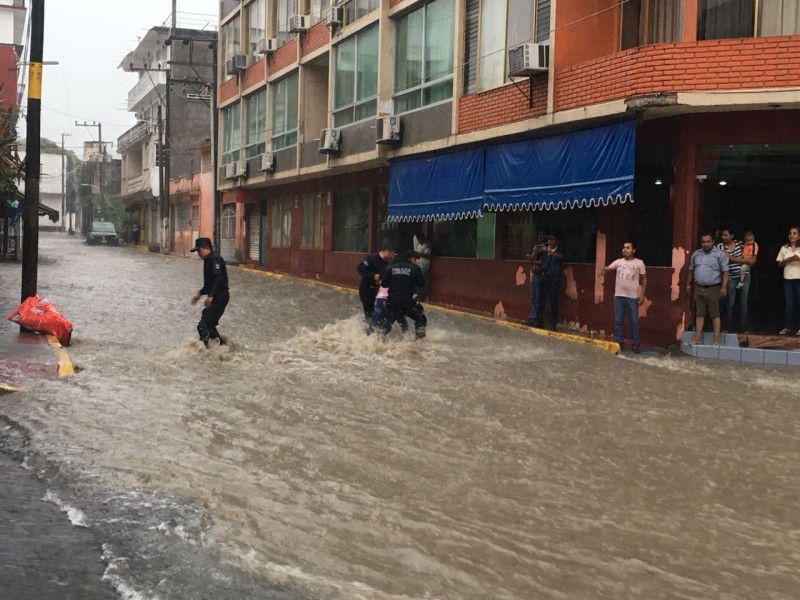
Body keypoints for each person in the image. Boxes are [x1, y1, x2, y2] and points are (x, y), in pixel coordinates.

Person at [686, 232, 728, 346]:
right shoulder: (696, 254)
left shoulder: (720, 254)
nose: (705, 244)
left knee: (715, 314)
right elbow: (691, 269)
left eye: (708, 241)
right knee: (699, 314)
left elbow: (725, 272)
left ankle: (716, 340)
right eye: (703, 242)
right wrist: (688, 284)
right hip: (699, 288)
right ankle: (697, 338)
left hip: (713, 288)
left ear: (713, 242)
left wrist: (724, 287)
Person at [604, 241, 647, 353]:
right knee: (618, 321)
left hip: (632, 297)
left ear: (633, 250)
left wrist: (642, 295)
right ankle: (619, 342)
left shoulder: (639, 263)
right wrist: (603, 270)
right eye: (623, 247)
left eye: (628, 248)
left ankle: (635, 344)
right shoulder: (618, 262)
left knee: (634, 321)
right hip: (618, 296)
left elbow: (644, 279)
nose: (625, 249)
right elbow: (608, 268)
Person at [190, 237, 229, 347]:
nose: (198, 253)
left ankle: (208, 350)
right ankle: (221, 348)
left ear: (206, 248)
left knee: (203, 325)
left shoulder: (215, 259)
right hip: (216, 297)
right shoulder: (208, 260)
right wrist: (200, 294)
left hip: (220, 297)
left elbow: (218, 278)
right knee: (209, 324)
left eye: (199, 250)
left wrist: (210, 296)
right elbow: (208, 284)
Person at [380, 250, 427, 339]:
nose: (415, 261)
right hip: (407, 302)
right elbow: (421, 283)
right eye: (415, 259)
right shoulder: (415, 268)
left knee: (385, 324)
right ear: (411, 258)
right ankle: (419, 341)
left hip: (392, 301)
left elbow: (384, 284)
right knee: (421, 318)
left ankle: (379, 341)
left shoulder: (391, 267)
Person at [718, 228, 754, 332]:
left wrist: (751, 261)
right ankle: (728, 326)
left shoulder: (740, 243)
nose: (724, 237)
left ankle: (743, 327)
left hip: (745, 275)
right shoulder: (720, 246)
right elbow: (728, 258)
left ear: (732, 235)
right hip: (731, 277)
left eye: (726, 235)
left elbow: (751, 255)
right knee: (730, 302)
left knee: (743, 302)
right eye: (722, 235)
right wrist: (746, 261)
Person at [357, 244, 395, 321]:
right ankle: (367, 331)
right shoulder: (371, 258)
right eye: (392, 254)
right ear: (387, 251)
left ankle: (375, 330)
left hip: (378, 292)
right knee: (369, 314)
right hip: (366, 290)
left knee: (380, 314)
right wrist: (373, 276)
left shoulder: (387, 264)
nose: (393, 257)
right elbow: (360, 268)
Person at [776, 226, 800, 335]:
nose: (792, 235)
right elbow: (779, 264)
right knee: (789, 303)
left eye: (795, 233)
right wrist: (788, 260)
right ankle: (787, 327)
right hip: (788, 278)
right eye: (790, 233)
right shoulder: (784, 248)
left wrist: (798, 259)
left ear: (799, 236)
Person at [537, 233, 564, 330]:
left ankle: (553, 324)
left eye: (552, 240)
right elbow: (534, 257)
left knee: (553, 301)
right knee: (541, 299)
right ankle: (539, 322)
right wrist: (536, 250)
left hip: (554, 278)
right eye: (549, 240)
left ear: (556, 241)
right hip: (544, 276)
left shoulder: (559, 250)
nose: (550, 241)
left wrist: (549, 251)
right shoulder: (544, 250)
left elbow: (561, 256)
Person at [523, 230, 548, 327]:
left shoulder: (546, 248)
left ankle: (536, 319)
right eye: (539, 234)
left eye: (541, 234)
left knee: (538, 298)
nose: (539, 236)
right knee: (533, 297)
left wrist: (534, 260)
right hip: (535, 274)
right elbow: (530, 258)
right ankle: (531, 318)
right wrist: (534, 252)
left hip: (541, 274)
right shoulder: (537, 247)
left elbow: (542, 262)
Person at [413, 232, 432, 301]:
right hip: (418, 265)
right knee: (418, 281)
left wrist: (418, 254)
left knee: (422, 281)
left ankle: (422, 296)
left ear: (423, 238)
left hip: (424, 267)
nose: (418, 241)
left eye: (419, 239)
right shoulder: (420, 245)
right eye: (417, 240)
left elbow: (428, 255)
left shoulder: (427, 245)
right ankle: (418, 294)